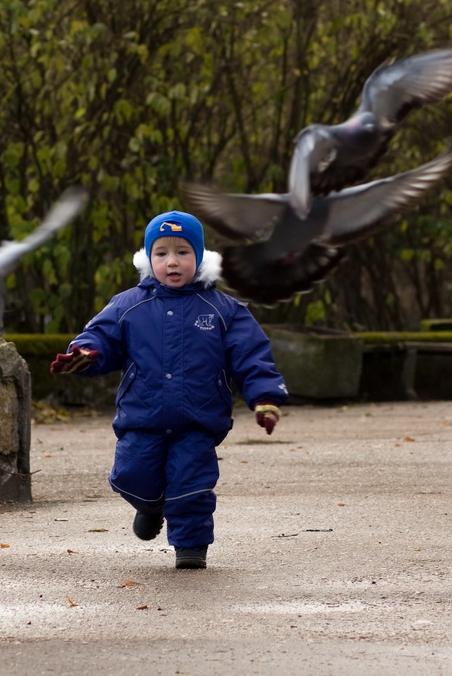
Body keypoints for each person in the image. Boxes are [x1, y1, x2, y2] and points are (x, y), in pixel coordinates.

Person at [50, 210, 288, 569]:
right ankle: (151, 505)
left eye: (182, 252)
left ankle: (191, 549)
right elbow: (100, 338)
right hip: (142, 416)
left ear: (200, 257)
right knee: (130, 477)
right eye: (161, 253)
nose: (172, 262)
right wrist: (85, 355)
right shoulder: (128, 305)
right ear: (148, 258)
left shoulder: (224, 310)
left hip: (198, 418)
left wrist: (266, 397)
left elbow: (252, 356)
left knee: (191, 485)